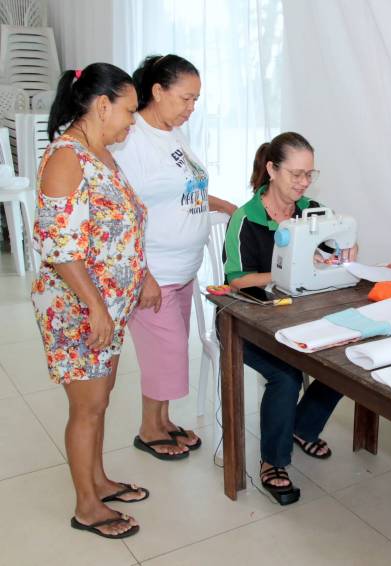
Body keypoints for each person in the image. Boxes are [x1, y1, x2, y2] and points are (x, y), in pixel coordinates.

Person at [32, 63, 146, 538]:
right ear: (102, 105)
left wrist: (144, 278)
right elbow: (58, 248)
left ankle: (98, 480)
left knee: (100, 401)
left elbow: (120, 226)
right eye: (129, 110)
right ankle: (86, 506)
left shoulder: (99, 152)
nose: (132, 121)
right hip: (77, 308)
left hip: (108, 307)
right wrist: (96, 306)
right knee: (87, 408)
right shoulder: (67, 158)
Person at [112, 54, 237, 460]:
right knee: (164, 353)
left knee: (167, 353)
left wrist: (230, 207)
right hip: (154, 272)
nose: (191, 108)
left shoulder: (172, 134)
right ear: (157, 91)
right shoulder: (133, 141)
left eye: (196, 100)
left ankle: (162, 421)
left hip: (182, 270)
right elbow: (122, 214)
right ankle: (149, 429)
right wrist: (142, 274)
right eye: (185, 98)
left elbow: (187, 189)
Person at [223, 132, 353, 504]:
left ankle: (301, 427)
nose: (303, 183)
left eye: (309, 174)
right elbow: (236, 280)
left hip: (297, 316)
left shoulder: (312, 210)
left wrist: (344, 252)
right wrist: (291, 270)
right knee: (286, 375)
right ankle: (273, 462)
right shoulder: (245, 219)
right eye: (295, 174)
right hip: (246, 321)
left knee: (344, 357)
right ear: (271, 170)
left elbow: (334, 251)